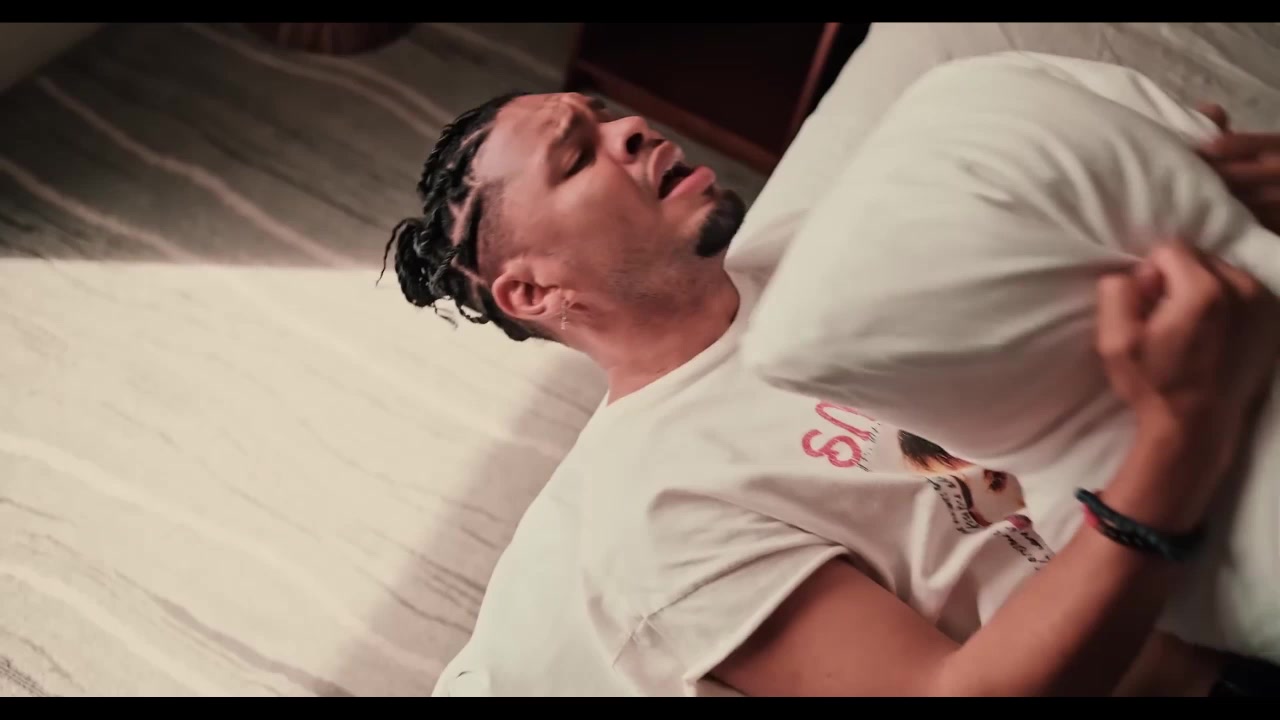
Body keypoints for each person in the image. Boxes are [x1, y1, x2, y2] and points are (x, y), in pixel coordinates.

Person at [382, 90, 1280, 696]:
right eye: (579, 156)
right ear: (535, 293)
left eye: (611, 116)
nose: (632, 131)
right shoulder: (660, 515)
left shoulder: (823, 249)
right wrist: (1180, 437)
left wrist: (1169, 183)